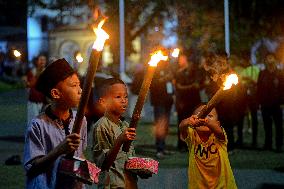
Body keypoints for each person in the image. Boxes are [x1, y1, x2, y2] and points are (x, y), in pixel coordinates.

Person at [23, 58, 87, 189]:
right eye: (74, 85)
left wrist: (84, 172)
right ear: (56, 93)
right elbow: (32, 168)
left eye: (79, 84)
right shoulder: (38, 125)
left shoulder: (81, 120)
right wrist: (59, 150)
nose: (80, 90)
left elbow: (79, 154)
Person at [91, 78, 149, 189]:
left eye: (126, 96)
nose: (124, 100)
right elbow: (103, 164)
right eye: (118, 97)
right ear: (103, 102)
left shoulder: (125, 125)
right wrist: (119, 140)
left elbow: (128, 159)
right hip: (112, 185)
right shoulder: (101, 126)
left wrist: (140, 169)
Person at [179, 104, 237, 189]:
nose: (204, 118)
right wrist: (188, 121)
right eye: (200, 115)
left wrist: (206, 121)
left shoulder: (219, 136)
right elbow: (181, 127)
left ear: (218, 123)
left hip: (223, 186)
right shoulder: (192, 136)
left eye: (210, 116)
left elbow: (219, 131)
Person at [174, 54, 201, 152]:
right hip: (182, 102)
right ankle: (182, 145)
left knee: (193, 123)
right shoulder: (178, 72)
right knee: (182, 123)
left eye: (182, 59)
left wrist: (184, 87)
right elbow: (178, 86)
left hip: (193, 101)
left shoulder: (193, 71)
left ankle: (192, 143)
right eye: (179, 59)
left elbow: (196, 85)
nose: (180, 61)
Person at [257, 53, 283, 152]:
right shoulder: (262, 73)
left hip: (277, 103)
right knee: (267, 125)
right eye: (268, 58)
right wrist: (259, 101)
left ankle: (279, 145)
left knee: (278, 125)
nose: (269, 60)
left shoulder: (280, 73)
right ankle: (268, 144)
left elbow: (282, 88)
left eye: (271, 58)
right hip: (265, 103)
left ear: (275, 60)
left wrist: (282, 102)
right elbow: (259, 88)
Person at [150, 60, 174, 159]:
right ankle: (159, 149)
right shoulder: (153, 71)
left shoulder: (168, 69)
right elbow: (152, 85)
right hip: (159, 101)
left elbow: (171, 85)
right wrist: (163, 79)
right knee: (160, 125)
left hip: (167, 101)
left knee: (166, 125)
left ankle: (163, 147)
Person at [25, 54, 47, 127]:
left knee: (42, 122)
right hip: (33, 100)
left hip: (43, 101)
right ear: (37, 61)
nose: (42, 62)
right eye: (40, 60)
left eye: (43, 60)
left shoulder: (47, 72)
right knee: (33, 121)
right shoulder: (32, 72)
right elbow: (29, 84)